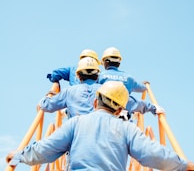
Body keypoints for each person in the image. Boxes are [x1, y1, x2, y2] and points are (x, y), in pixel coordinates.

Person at [6, 81, 194, 171]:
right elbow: (152, 153)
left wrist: (19, 156)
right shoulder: (127, 128)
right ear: (120, 109)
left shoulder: (75, 123)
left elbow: (46, 149)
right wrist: (184, 165)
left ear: (95, 102)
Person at [40, 57, 165, 119]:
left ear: (78, 75)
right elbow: (132, 102)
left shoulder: (69, 92)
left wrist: (51, 92)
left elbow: (46, 105)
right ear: (97, 75)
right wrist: (153, 108)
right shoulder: (107, 89)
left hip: (77, 142)